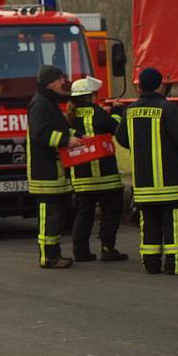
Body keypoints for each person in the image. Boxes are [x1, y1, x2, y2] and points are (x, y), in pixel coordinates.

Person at [115, 67, 178, 275]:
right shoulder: (168, 109)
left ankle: (151, 264)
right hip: (169, 182)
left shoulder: (130, 111)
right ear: (161, 85)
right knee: (172, 223)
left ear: (139, 86)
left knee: (149, 223)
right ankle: (175, 265)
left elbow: (122, 139)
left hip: (143, 183)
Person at [67, 77, 128, 262]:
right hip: (105, 175)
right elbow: (116, 127)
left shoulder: (70, 115)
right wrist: (117, 111)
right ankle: (108, 249)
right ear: (91, 96)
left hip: (81, 176)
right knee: (111, 211)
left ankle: (80, 251)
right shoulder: (97, 112)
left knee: (84, 214)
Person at [27, 65, 82, 268]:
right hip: (46, 173)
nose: (63, 82)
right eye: (60, 79)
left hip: (54, 172)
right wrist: (66, 140)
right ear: (50, 82)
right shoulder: (40, 105)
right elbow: (41, 134)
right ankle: (49, 257)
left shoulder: (47, 102)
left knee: (56, 215)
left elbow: (58, 128)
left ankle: (54, 254)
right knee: (49, 216)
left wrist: (75, 135)